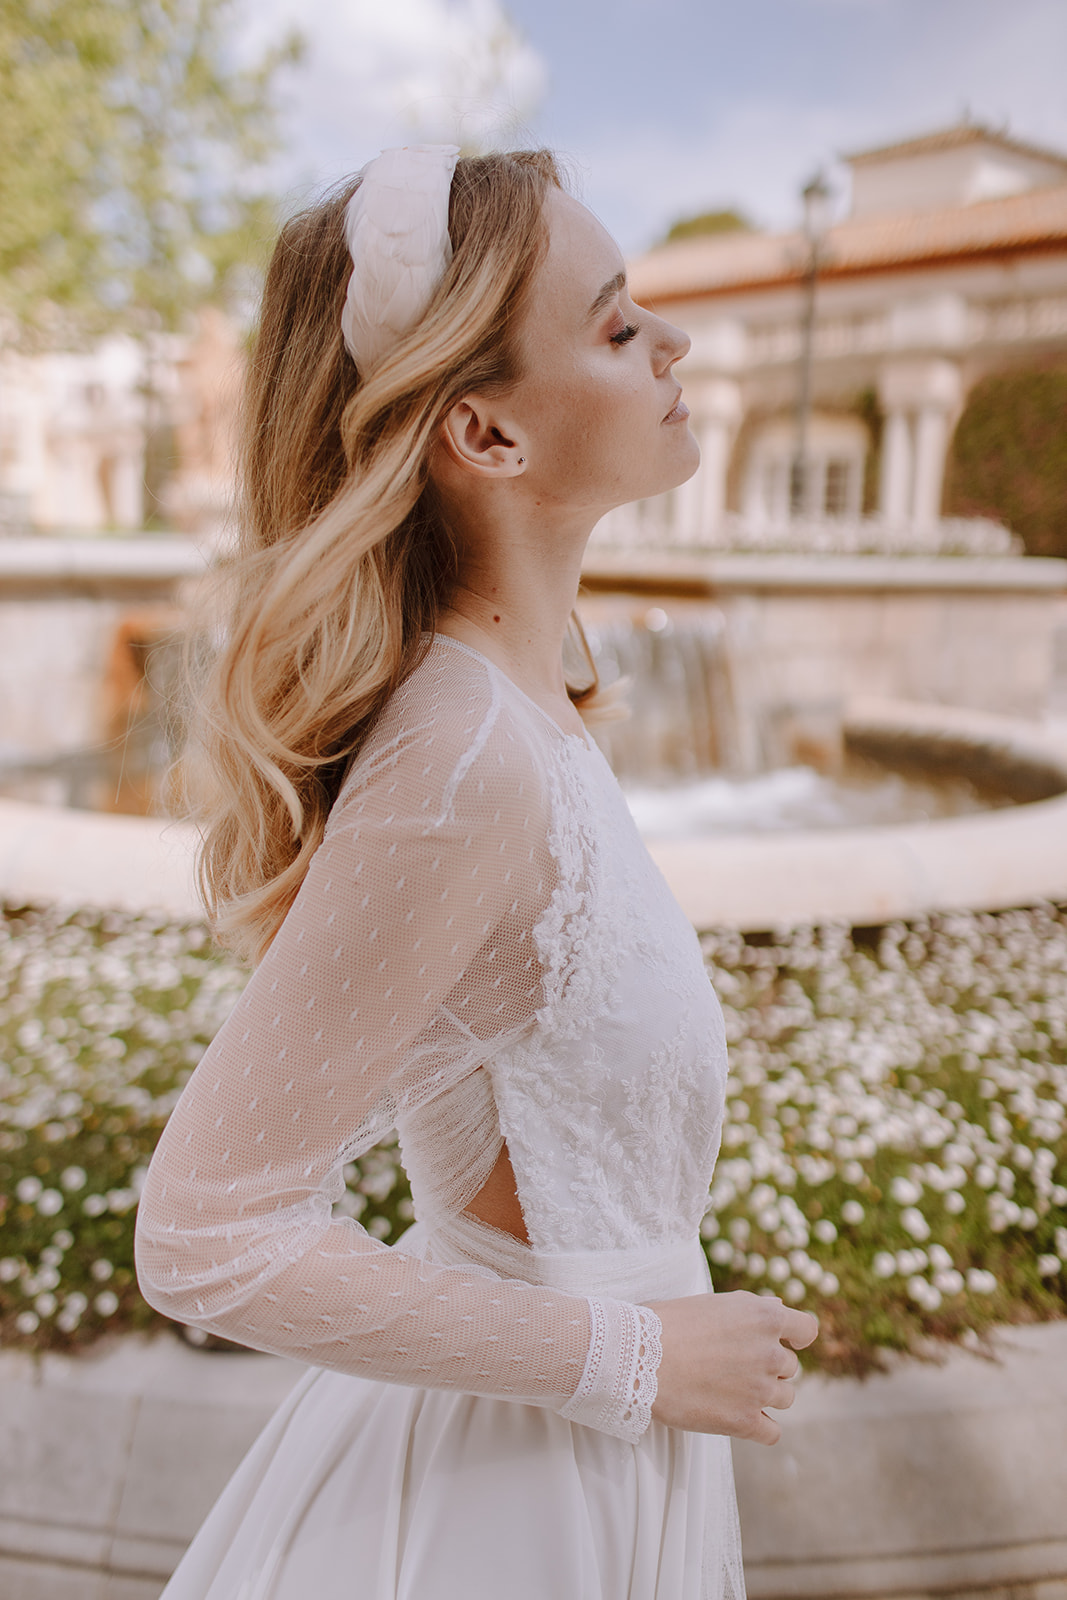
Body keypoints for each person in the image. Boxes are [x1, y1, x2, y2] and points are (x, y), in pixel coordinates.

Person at [135, 144, 817, 1600]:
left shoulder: (524, 723)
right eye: (621, 325)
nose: (673, 345)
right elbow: (202, 1229)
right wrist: (639, 1355)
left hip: (586, 1462)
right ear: (487, 437)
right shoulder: (465, 759)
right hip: (505, 1519)